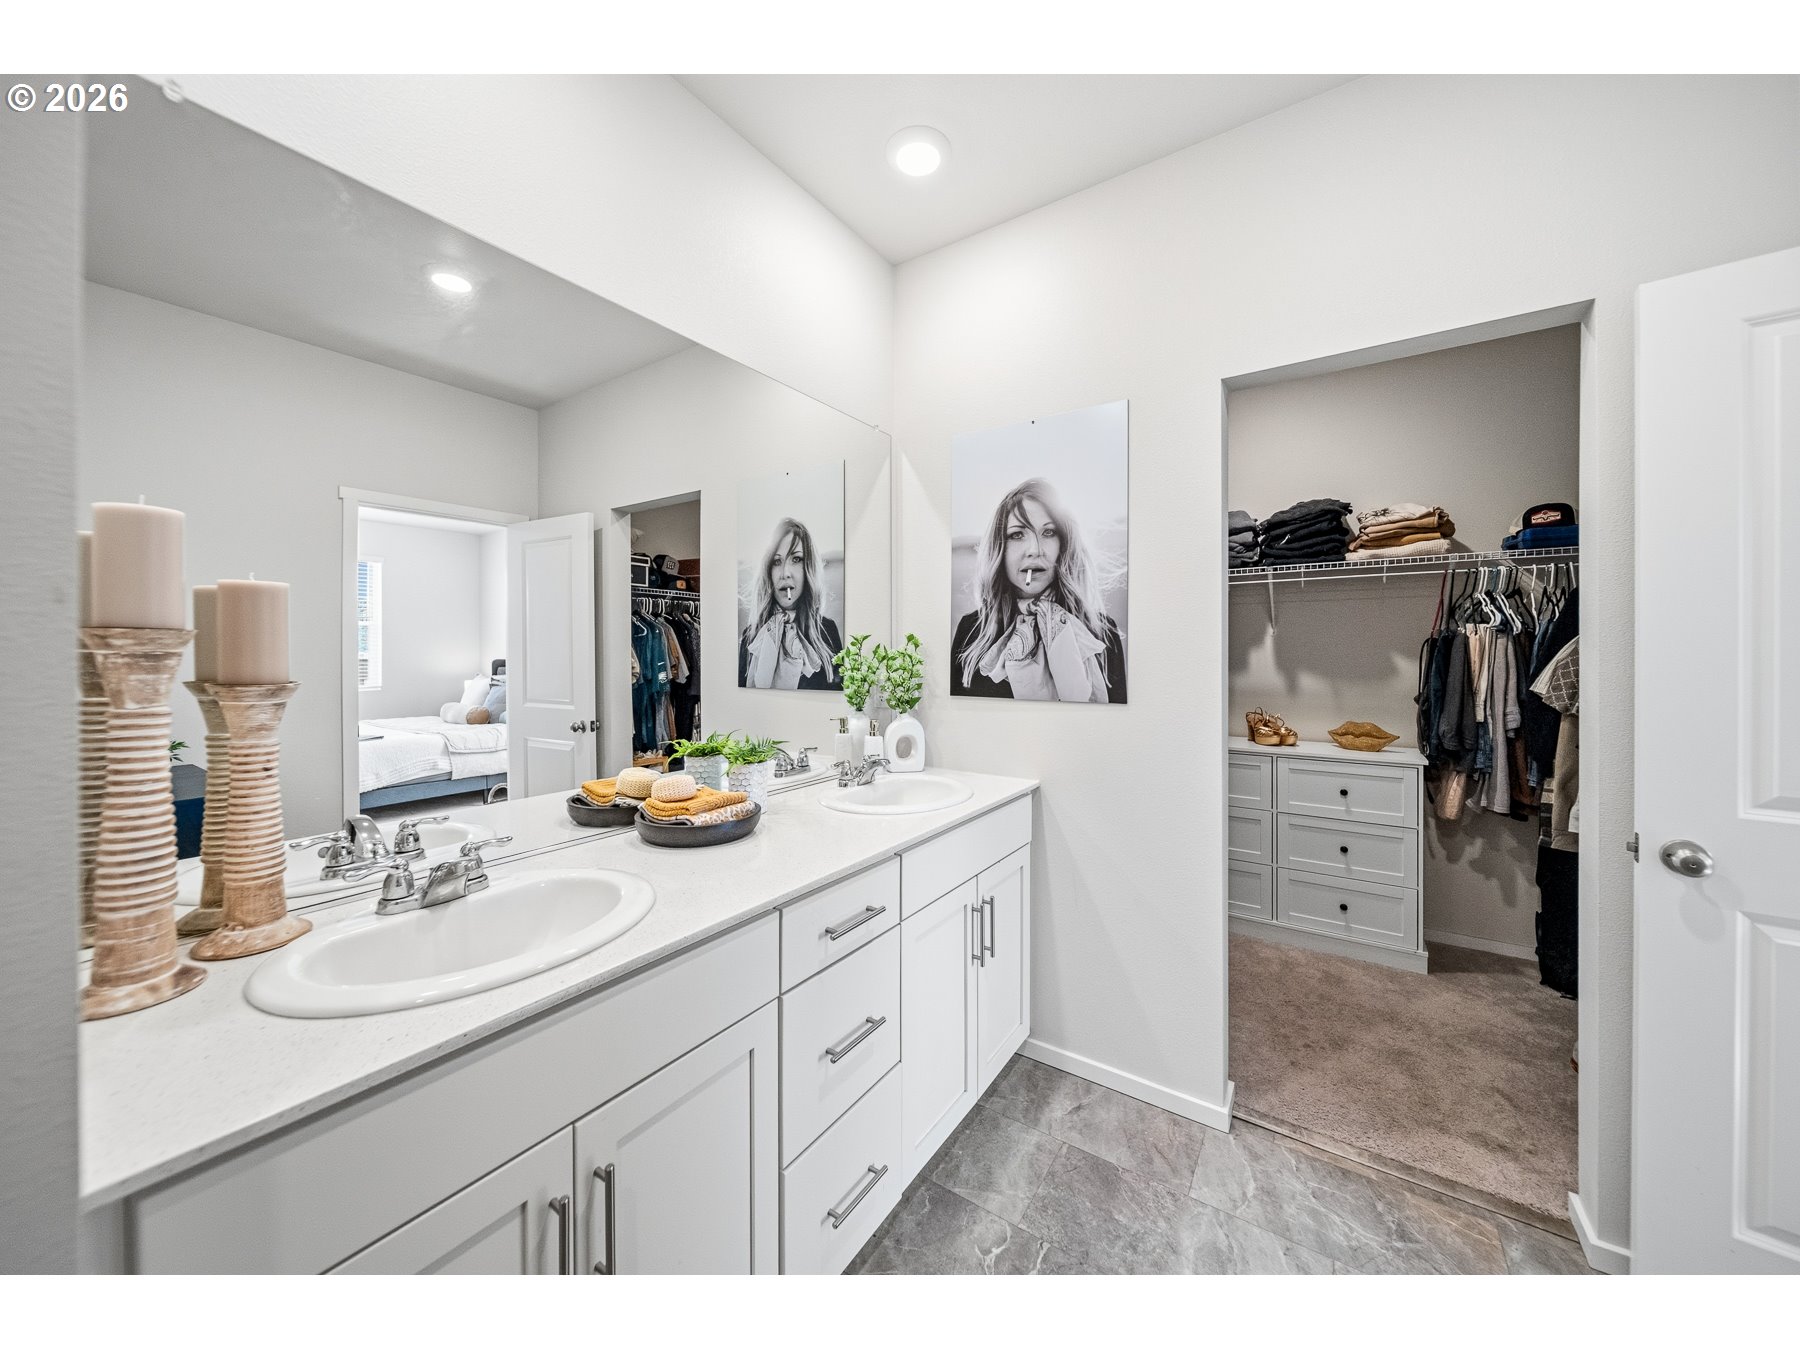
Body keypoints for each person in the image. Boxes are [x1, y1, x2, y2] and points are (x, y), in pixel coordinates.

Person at [951, 477, 1126, 702]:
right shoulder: (972, 631)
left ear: (1064, 544)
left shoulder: (1100, 632)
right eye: (1017, 535)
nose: (1035, 550)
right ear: (1000, 550)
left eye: (1049, 532)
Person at [738, 516, 844, 690]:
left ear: (807, 567)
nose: (785, 573)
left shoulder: (827, 631)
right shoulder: (752, 636)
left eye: (796, 559)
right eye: (777, 561)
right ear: (768, 571)